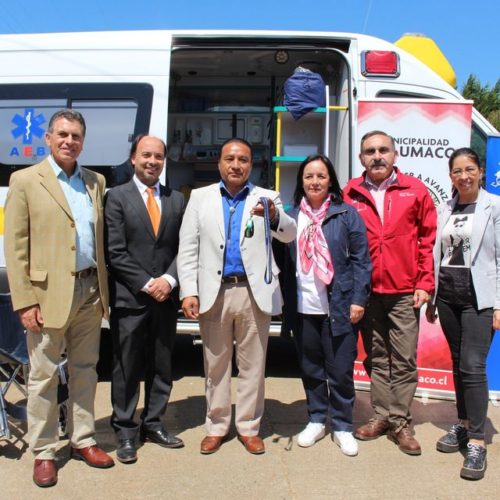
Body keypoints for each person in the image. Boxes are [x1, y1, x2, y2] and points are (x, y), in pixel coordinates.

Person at [4, 109, 114, 488]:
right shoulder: (24, 180)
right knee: (44, 375)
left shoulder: (95, 181)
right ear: (48, 138)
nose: (69, 141)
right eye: (62, 134)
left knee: (86, 370)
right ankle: (45, 451)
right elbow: (15, 245)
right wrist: (25, 300)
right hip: (47, 295)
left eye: (76, 136)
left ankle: (83, 439)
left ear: (83, 141)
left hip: (89, 290)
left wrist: (102, 291)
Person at [178, 138, 296, 455]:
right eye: (230, 158)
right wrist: (188, 290)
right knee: (215, 365)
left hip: (252, 292)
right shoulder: (201, 198)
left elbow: (289, 233)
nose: (236, 165)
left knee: (253, 366)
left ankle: (248, 427)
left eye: (243, 159)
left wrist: (274, 217)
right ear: (219, 163)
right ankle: (216, 426)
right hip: (213, 293)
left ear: (251, 165)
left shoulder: (267, 197)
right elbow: (187, 248)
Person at [344, 130, 437, 455]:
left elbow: (428, 239)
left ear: (395, 155)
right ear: (361, 159)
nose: (377, 156)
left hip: (403, 292)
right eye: (370, 151)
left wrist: (425, 282)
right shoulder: (351, 193)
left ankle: (400, 422)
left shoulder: (415, 190)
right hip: (367, 293)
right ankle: (381, 416)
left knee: (406, 360)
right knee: (377, 358)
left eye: (383, 150)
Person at [280, 155, 371, 456]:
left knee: (341, 370)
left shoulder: (347, 214)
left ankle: (343, 425)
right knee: (311, 369)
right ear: (301, 182)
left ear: (330, 179)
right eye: (309, 176)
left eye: (321, 176)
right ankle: (317, 419)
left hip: (339, 306)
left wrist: (359, 299)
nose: (315, 182)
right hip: (304, 307)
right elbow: (281, 260)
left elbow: (361, 261)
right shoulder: (291, 217)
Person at [104, 135, 185, 463]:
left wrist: (168, 279)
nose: (152, 161)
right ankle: (125, 430)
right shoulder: (116, 198)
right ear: (133, 159)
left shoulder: (177, 199)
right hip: (130, 297)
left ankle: (152, 423)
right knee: (126, 367)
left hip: (166, 297)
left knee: (162, 365)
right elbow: (115, 251)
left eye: (158, 156)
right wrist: (147, 282)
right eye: (146, 155)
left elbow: (186, 247)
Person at [426, 147, 500, 480]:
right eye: (457, 171)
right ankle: (464, 422)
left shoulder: (494, 207)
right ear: (450, 175)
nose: (464, 176)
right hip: (448, 298)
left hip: (479, 300)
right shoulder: (445, 208)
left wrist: (498, 304)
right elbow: (436, 253)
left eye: (469, 169)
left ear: (480, 171)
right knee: (458, 362)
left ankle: (478, 441)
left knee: (472, 365)